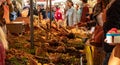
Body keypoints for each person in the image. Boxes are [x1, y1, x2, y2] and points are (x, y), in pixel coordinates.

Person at [103, 0, 120, 65]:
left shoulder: (117, 4)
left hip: (114, 49)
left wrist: (115, 37)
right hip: (112, 47)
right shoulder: (114, 3)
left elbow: (115, 24)